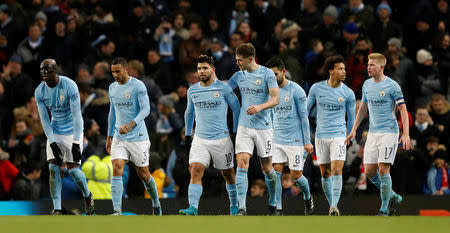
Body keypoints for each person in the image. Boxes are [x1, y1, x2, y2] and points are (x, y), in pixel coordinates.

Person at [346, 53, 412, 216]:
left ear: (381, 67)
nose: (368, 67)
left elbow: (403, 108)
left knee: (383, 169)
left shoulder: (392, 85)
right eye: (368, 65)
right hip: (373, 133)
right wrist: (354, 129)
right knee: (369, 171)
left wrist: (406, 133)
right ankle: (393, 196)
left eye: (372, 65)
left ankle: (384, 209)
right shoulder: (367, 85)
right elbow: (362, 109)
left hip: (389, 131)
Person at [179, 55, 240, 216]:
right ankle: (193, 207)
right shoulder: (192, 90)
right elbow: (189, 112)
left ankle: (234, 206)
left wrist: (235, 132)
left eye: (205, 68)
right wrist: (187, 135)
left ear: (213, 69)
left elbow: (236, 108)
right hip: (200, 138)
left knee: (228, 174)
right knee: (195, 170)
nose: (201, 71)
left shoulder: (224, 88)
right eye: (199, 68)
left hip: (222, 139)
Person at [34, 58, 94, 215]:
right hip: (55, 131)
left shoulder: (69, 85)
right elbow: (44, 119)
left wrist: (75, 142)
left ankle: (87, 196)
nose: (45, 75)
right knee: (53, 169)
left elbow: (77, 116)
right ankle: (58, 209)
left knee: (73, 170)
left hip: (73, 130)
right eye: (42, 72)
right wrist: (52, 142)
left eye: (48, 71)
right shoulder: (40, 91)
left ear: (56, 71)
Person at [228, 43, 280, 215]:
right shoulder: (238, 76)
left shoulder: (267, 74)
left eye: (240, 60)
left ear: (251, 59)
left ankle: (273, 201)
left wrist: (260, 107)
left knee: (267, 169)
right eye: (236, 59)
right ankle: (242, 208)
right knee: (242, 163)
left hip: (264, 127)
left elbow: (276, 99)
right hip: (244, 126)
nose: (237, 63)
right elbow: (224, 90)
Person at [106, 58, 161, 215]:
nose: (115, 75)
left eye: (118, 71)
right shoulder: (112, 88)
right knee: (117, 167)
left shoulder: (138, 86)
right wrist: (109, 135)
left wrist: (131, 125)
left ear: (126, 70)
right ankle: (117, 210)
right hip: (119, 136)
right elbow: (112, 112)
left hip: (138, 136)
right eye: (113, 72)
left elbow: (146, 110)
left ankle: (156, 204)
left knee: (143, 173)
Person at [307, 55, 356, 216]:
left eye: (344, 69)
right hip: (321, 136)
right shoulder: (316, 88)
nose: (344, 71)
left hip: (339, 136)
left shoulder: (348, 93)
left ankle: (334, 206)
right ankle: (331, 205)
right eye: (340, 69)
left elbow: (351, 118)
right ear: (331, 71)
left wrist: (350, 135)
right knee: (325, 173)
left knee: (337, 170)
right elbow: (305, 112)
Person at [265, 58, 314, 215]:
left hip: (295, 140)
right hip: (277, 139)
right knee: (276, 172)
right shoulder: (270, 92)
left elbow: (304, 117)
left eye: (275, 74)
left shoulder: (296, 90)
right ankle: (278, 209)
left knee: (296, 174)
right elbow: (271, 114)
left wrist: (307, 141)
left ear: (283, 72)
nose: (272, 78)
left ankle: (307, 197)